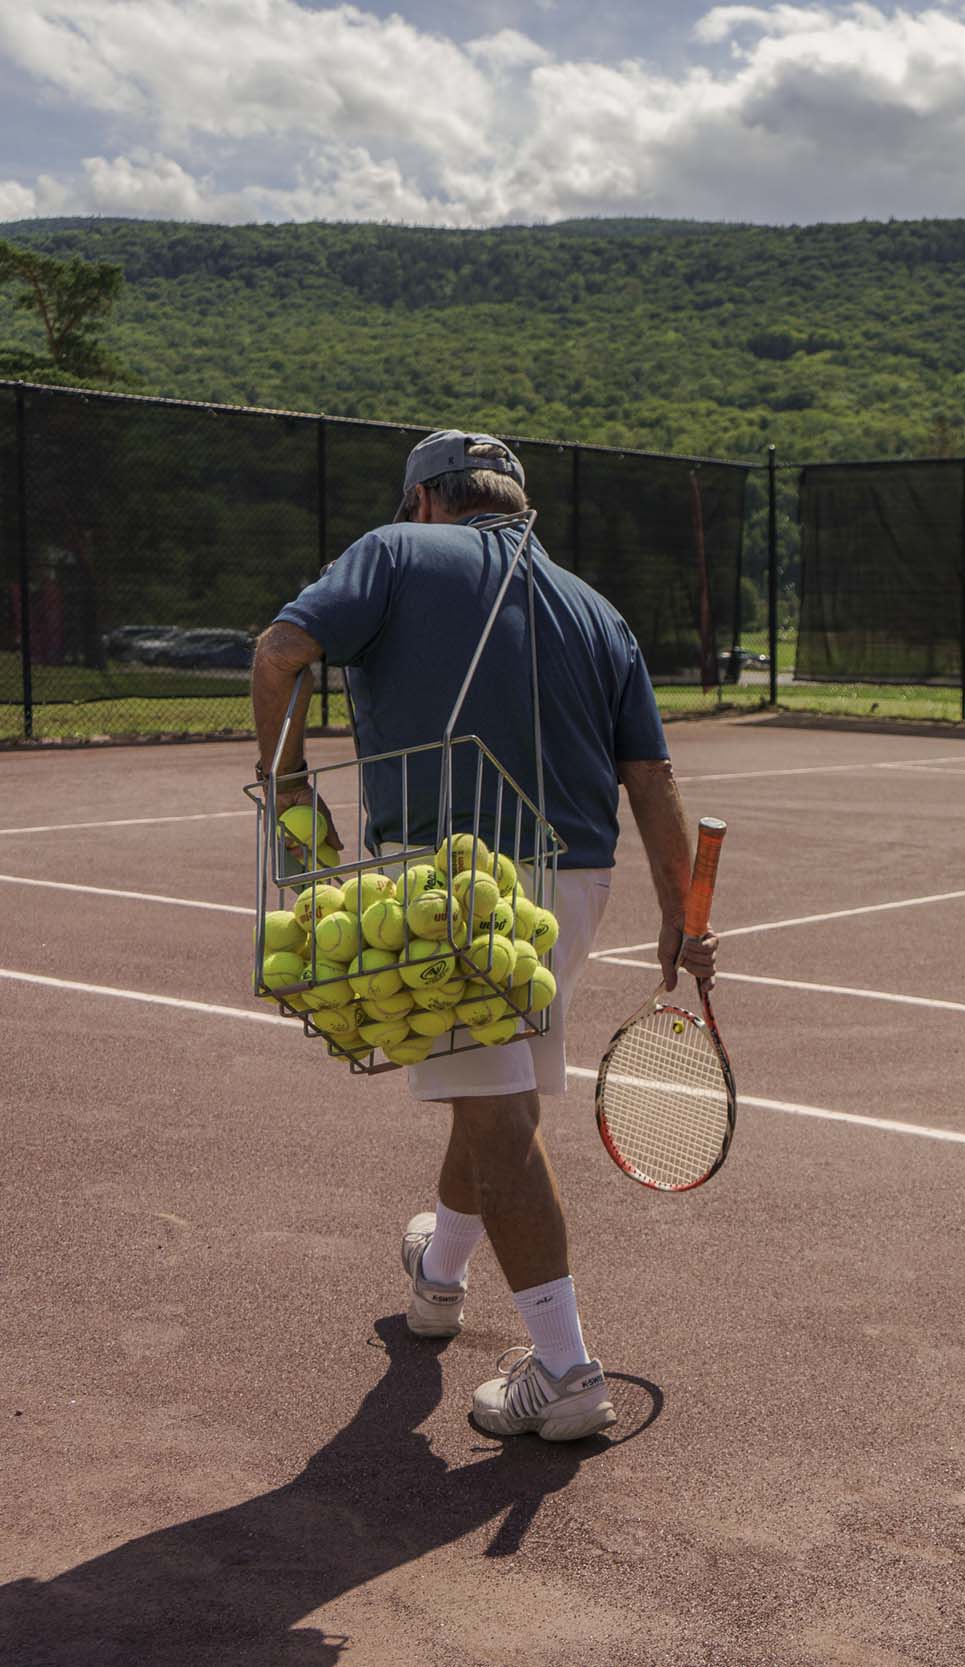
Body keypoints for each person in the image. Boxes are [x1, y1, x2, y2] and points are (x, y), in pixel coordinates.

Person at [250, 429, 718, 1442]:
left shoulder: (391, 549)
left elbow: (280, 652)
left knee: (499, 1113)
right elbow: (655, 777)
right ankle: (440, 1275)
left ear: (425, 500)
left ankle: (566, 1368)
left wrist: (292, 794)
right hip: (573, 889)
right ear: (516, 504)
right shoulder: (597, 608)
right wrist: (686, 916)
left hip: (450, 882)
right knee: (486, 1090)